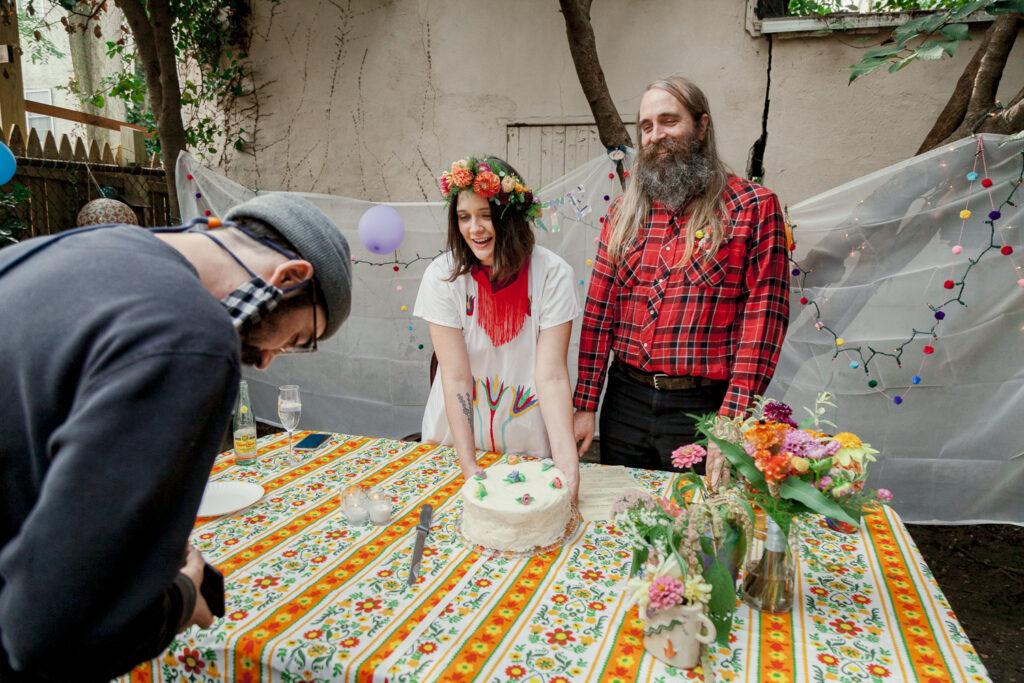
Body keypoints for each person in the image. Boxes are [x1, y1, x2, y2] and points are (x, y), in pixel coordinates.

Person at [0, 192, 352, 682]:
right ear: (290, 276)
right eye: (294, 340)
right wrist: (180, 600)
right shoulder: (192, 337)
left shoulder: (68, 251)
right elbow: (54, 633)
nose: (269, 359)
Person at [573, 76, 790, 483]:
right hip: (625, 402)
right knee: (624, 518)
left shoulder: (752, 208)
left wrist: (732, 419)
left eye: (669, 121)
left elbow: (764, 319)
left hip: (704, 407)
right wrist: (586, 403)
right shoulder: (624, 212)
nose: (656, 135)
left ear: (702, 126)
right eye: (647, 126)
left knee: (695, 528)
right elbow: (600, 311)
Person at [414, 156, 581, 499]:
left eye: (486, 215)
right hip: (454, 444)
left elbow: (551, 375)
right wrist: (468, 466)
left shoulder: (553, 274)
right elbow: (456, 375)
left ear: (511, 217)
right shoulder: (442, 277)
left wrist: (568, 463)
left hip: (526, 443)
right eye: (464, 217)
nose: (474, 228)